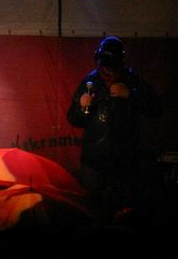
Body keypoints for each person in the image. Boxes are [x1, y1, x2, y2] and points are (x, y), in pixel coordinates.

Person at [67, 36, 161, 223]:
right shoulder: (90, 82)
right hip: (94, 161)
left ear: (121, 62)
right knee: (91, 210)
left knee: (122, 211)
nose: (107, 69)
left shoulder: (133, 80)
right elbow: (73, 119)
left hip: (124, 160)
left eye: (112, 64)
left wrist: (130, 95)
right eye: (104, 64)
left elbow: (155, 109)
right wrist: (81, 107)